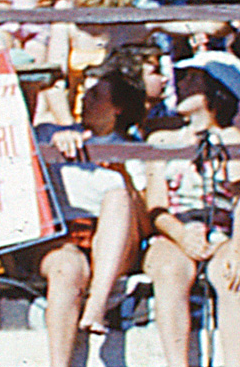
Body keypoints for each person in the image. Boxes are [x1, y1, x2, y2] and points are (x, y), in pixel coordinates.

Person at [142, 51, 240, 367]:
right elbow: (156, 204)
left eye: (194, 80)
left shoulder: (231, 139)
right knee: (170, 270)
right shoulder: (161, 139)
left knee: (231, 275)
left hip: (218, 232)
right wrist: (180, 235)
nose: (184, 85)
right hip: (174, 233)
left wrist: (238, 248)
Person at [30, 72, 145, 364]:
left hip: (113, 239)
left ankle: (97, 304)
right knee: (67, 268)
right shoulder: (52, 132)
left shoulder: (131, 147)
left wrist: (122, 175)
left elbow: (143, 223)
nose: (83, 99)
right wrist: (59, 138)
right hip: (63, 235)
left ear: (116, 108)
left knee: (118, 195)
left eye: (95, 95)